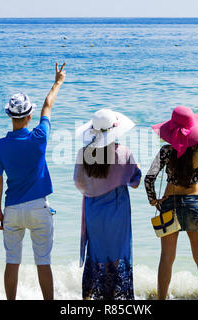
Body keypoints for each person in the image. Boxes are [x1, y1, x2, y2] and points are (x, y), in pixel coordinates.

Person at [0, 62, 66, 300]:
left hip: (12, 209)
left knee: (12, 262)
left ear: (9, 116)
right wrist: (58, 81)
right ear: (29, 115)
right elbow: (48, 105)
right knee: (43, 262)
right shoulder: (39, 136)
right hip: (39, 208)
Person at [145, 70, 198, 300]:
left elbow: (149, 178)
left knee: (166, 259)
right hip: (193, 202)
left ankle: (161, 299)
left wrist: (153, 199)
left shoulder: (166, 150)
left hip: (169, 203)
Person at [74, 109, 142, 300]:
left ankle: (89, 298)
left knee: (95, 255)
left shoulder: (83, 154)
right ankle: (114, 300)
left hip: (93, 213)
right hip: (118, 214)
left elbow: (79, 183)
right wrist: (136, 169)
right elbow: (135, 182)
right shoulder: (124, 153)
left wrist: (95, 188)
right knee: (117, 256)